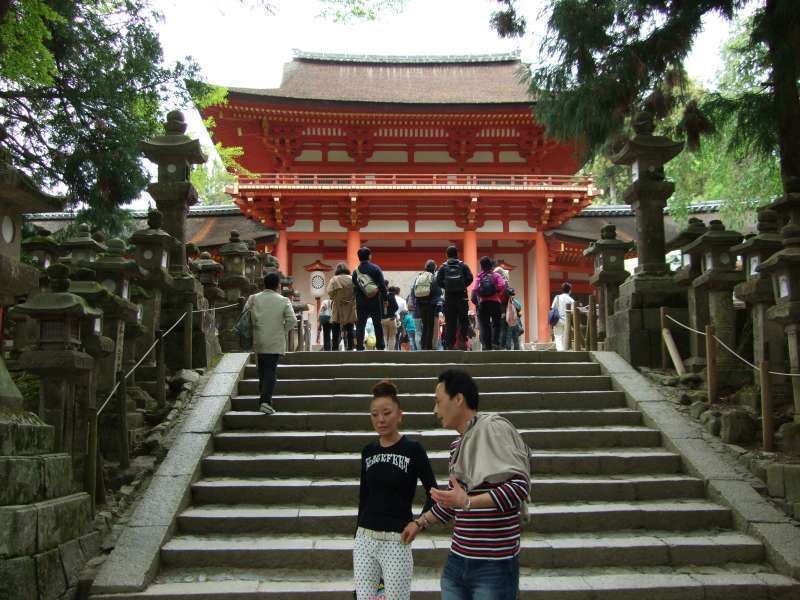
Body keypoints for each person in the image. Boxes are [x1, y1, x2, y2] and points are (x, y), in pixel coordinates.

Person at [402, 369, 530, 599]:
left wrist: (468, 502)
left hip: (494, 567)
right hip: (457, 562)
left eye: (438, 402)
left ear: (458, 399)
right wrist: (420, 523)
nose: (435, 410)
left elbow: (518, 488)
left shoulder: (494, 429)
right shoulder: (457, 446)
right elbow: (454, 501)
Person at [355, 380, 437, 600]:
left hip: (397, 541)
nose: (380, 419)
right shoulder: (368, 452)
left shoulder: (413, 450)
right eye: (374, 414)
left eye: (386, 413)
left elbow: (434, 493)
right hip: (365, 540)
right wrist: (357, 536)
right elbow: (364, 497)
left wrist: (418, 523)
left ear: (400, 414)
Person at [244, 271, 297, 414]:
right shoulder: (283, 300)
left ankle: (264, 400)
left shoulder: (253, 298)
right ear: (278, 285)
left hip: (258, 339)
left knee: (262, 370)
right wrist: (282, 330)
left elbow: (245, 316)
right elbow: (292, 320)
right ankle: (265, 401)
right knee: (270, 371)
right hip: (274, 341)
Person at [436, 246, 473, 350]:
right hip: (462, 297)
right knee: (463, 320)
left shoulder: (443, 267)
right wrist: (462, 286)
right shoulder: (463, 265)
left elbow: (438, 281)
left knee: (450, 321)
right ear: (457, 254)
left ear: (447, 255)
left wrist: (447, 287)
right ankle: (462, 341)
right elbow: (470, 278)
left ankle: (450, 345)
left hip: (449, 298)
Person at [352, 247, 387, 351]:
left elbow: (355, 286)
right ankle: (380, 346)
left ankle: (359, 346)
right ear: (369, 256)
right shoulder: (376, 268)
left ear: (359, 258)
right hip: (374, 300)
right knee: (377, 323)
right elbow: (382, 285)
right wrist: (385, 299)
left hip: (361, 301)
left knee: (361, 324)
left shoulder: (355, 272)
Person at [472, 256, 506, 351]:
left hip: (483, 303)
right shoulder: (496, 275)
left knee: (485, 325)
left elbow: (475, 289)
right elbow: (502, 285)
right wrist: (497, 293)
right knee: (496, 324)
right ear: (491, 265)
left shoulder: (480, 276)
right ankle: (495, 342)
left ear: (482, 266)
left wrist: (481, 295)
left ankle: (487, 346)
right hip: (495, 303)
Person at [326, 262, 356, 350]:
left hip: (338, 305)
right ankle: (350, 347)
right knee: (350, 327)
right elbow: (357, 291)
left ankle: (335, 348)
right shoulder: (352, 279)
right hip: (350, 305)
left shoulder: (334, 279)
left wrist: (335, 297)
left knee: (336, 327)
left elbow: (330, 292)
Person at [413, 259, 442, 350]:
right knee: (430, 326)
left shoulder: (419, 276)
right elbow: (438, 292)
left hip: (421, 305)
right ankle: (428, 346)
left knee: (424, 326)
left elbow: (414, 291)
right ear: (434, 268)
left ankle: (423, 345)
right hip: (431, 304)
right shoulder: (433, 277)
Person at [551, 282, 575, 351]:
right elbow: (573, 312)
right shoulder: (571, 300)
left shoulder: (557, 297)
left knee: (558, 336)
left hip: (557, 319)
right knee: (565, 337)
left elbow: (553, 308)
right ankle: (564, 350)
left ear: (562, 289)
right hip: (567, 320)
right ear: (570, 290)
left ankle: (560, 351)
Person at [382, 285, 400, 351]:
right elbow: (396, 306)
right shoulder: (391, 296)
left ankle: (384, 350)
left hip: (383, 319)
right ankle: (390, 351)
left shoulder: (382, 296)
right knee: (392, 336)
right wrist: (392, 312)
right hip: (391, 319)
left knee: (384, 336)